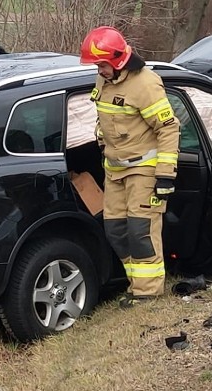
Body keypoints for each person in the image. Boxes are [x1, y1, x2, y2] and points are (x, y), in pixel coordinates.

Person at [80, 26, 180, 308]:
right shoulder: (104, 81)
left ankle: (148, 293)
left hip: (144, 169)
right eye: (96, 66)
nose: (99, 71)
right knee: (115, 230)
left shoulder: (145, 84)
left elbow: (169, 129)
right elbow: (105, 119)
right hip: (114, 169)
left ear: (118, 60)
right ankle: (137, 283)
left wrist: (164, 176)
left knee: (141, 230)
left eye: (101, 65)